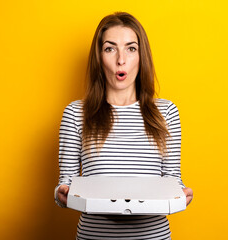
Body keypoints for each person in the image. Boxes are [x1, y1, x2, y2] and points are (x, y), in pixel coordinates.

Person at [54, 11, 193, 240]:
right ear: (99, 57)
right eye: (110, 48)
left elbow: (172, 180)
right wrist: (63, 194)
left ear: (141, 56)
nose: (121, 59)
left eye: (131, 48)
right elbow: (65, 185)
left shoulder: (166, 112)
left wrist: (180, 195)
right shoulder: (75, 113)